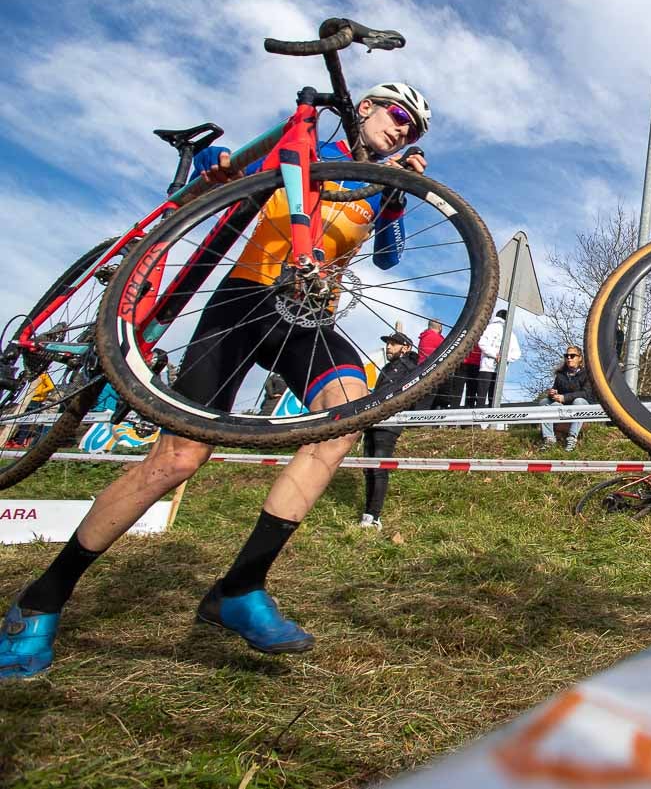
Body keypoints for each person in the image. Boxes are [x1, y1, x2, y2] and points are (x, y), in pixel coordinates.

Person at [2, 81, 433, 678]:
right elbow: (215, 175)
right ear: (364, 107)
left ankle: (239, 588)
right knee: (176, 461)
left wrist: (398, 199)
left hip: (304, 316)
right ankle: (41, 598)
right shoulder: (304, 149)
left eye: (414, 129)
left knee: (344, 423)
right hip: (242, 300)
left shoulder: (379, 188)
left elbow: (388, 257)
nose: (404, 130)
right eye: (398, 116)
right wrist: (214, 161)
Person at [360, 331, 423, 528]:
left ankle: (374, 515)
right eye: (388, 343)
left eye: (394, 344)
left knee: (379, 468)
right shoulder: (389, 366)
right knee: (368, 469)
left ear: (406, 348)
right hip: (373, 421)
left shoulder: (408, 367)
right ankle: (367, 514)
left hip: (389, 423)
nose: (389, 347)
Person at [538, 345, 596, 451]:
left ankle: (572, 437)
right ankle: (549, 438)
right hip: (564, 407)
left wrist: (565, 397)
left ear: (580, 358)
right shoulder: (560, 375)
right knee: (544, 402)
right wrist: (552, 394)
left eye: (572, 356)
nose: (569, 358)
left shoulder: (588, 374)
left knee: (579, 401)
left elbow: (586, 394)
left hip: (582, 407)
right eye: (567, 356)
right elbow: (555, 392)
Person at [475, 309, 521, 407]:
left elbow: (481, 343)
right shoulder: (511, 334)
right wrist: (504, 357)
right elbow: (517, 354)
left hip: (486, 366)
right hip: (501, 369)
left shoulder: (488, 328)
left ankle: (476, 421)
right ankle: (491, 420)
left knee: (481, 396)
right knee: (495, 398)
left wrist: (495, 354)